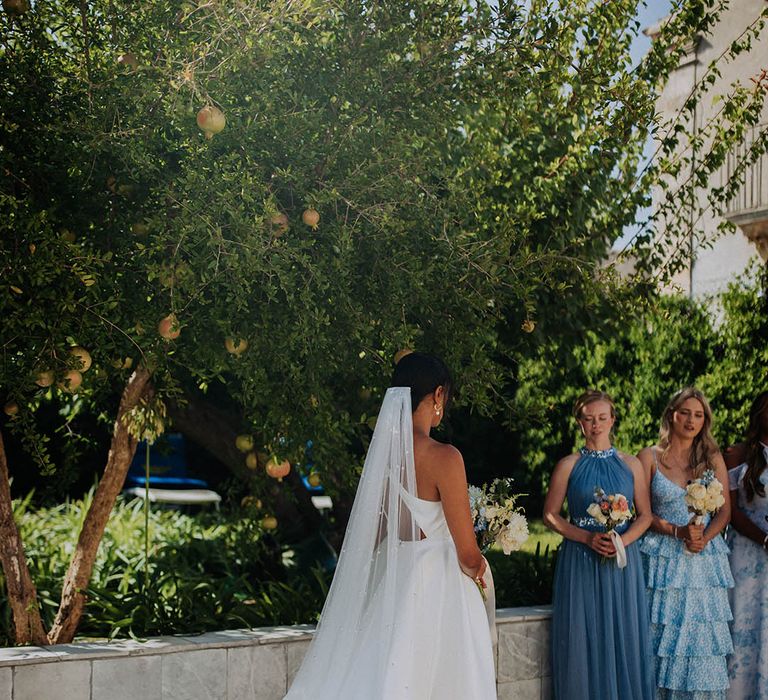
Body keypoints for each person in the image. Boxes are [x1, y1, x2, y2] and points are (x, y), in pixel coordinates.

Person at [284, 352, 496, 700]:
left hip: (395, 585)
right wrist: (484, 574)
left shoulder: (386, 455)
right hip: (440, 593)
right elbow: (467, 555)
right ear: (438, 394)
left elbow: (377, 531)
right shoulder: (444, 457)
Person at [544, 389, 654, 700]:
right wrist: (586, 538)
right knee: (582, 635)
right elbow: (550, 515)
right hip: (580, 558)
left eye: (602, 418)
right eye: (589, 419)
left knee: (624, 635)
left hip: (621, 561)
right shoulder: (568, 464)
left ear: (612, 420)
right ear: (579, 423)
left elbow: (645, 516)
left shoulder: (631, 464)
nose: (596, 424)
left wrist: (621, 540)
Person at [638, 387, 733, 700]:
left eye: (699, 414)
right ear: (671, 415)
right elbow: (643, 514)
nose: (692, 420)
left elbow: (725, 512)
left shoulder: (712, 458)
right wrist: (677, 532)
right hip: (662, 559)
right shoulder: (648, 457)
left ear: (705, 420)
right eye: (686, 413)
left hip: (704, 559)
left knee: (700, 639)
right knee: (660, 637)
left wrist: (704, 538)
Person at [726, 390, 768, 699]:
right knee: (744, 619)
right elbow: (728, 511)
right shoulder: (738, 454)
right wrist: (764, 538)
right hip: (746, 554)